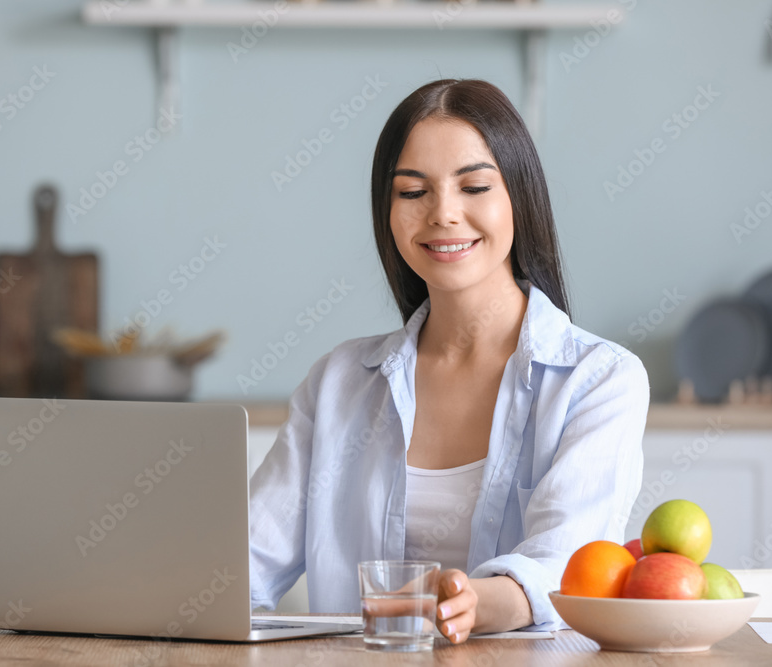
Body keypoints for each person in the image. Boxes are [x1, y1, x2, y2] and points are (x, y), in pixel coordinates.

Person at [248, 78, 650, 643]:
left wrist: (475, 601)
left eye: (475, 187)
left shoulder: (599, 379)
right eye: (413, 193)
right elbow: (243, 567)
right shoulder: (338, 382)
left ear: (519, 198)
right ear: (387, 212)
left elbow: (568, 565)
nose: (443, 214)